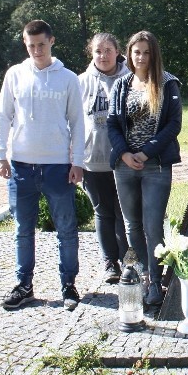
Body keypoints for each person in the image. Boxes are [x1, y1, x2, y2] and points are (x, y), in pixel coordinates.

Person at [0, 19, 85, 311]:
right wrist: (0, 154)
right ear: (25, 43)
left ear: (52, 42)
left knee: (66, 229)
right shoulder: (15, 75)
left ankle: (68, 285)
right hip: (21, 166)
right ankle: (24, 286)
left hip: (58, 166)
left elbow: (78, 122)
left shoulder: (68, 78)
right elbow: (3, 115)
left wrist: (78, 162)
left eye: (41, 45)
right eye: (31, 45)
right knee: (23, 229)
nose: (36, 50)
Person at [107, 31, 182, 306]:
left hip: (155, 165)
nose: (140, 57)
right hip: (124, 166)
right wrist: (125, 154)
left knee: (153, 226)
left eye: (146, 52)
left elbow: (174, 125)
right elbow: (113, 123)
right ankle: (141, 277)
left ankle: (156, 283)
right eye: (136, 52)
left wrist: (146, 151)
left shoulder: (168, 83)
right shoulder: (121, 84)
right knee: (132, 226)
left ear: (154, 54)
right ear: (128, 53)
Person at [79, 32, 130, 284]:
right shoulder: (81, 82)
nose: (103, 55)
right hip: (93, 160)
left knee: (124, 212)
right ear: (92, 53)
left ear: (117, 51)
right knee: (103, 212)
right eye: (98, 51)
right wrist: (74, 159)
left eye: (108, 50)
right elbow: (73, 123)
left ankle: (128, 260)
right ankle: (110, 262)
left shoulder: (131, 78)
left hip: (125, 160)